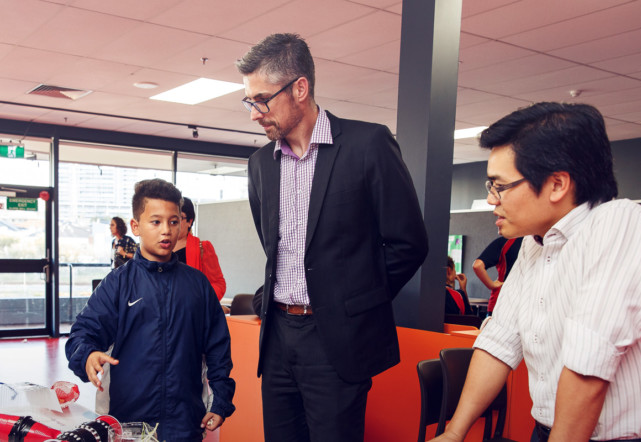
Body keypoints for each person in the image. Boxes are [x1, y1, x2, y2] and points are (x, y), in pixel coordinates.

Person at [237, 33, 428, 442]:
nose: (254, 114)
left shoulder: (367, 144)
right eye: (249, 101)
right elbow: (276, 250)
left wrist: (353, 303)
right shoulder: (259, 165)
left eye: (262, 99)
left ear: (300, 88)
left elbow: (408, 243)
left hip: (336, 342)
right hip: (277, 342)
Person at [434, 102, 641, 442]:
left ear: (557, 184)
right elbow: (499, 342)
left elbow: (588, 369)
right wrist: (454, 433)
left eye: (500, 186)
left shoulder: (619, 224)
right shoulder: (535, 244)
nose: (492, 200)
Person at [66, 179, 235, 441]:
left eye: (173, 221)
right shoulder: (118, 283)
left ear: (182, 223)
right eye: (155, 222)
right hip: (129, 421)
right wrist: (87, 355)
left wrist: (221, 400)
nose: (166, 231)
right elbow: (82, 333)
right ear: (136, 226)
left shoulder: (197, 284)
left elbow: (218, 347)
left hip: (185, 421)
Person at [174, 197, 227, 300]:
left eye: (179, 218)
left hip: (192, 310)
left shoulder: (203, 248)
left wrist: (202, 301)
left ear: (189, 221)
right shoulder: (159, 248)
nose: (173, 223)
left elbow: (218, 283)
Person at [472, 236, 522, 315]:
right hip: (526, 301)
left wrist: (491, 285)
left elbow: (477, 266)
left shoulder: (507, 241)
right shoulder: (539, 244)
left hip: (501, 300)